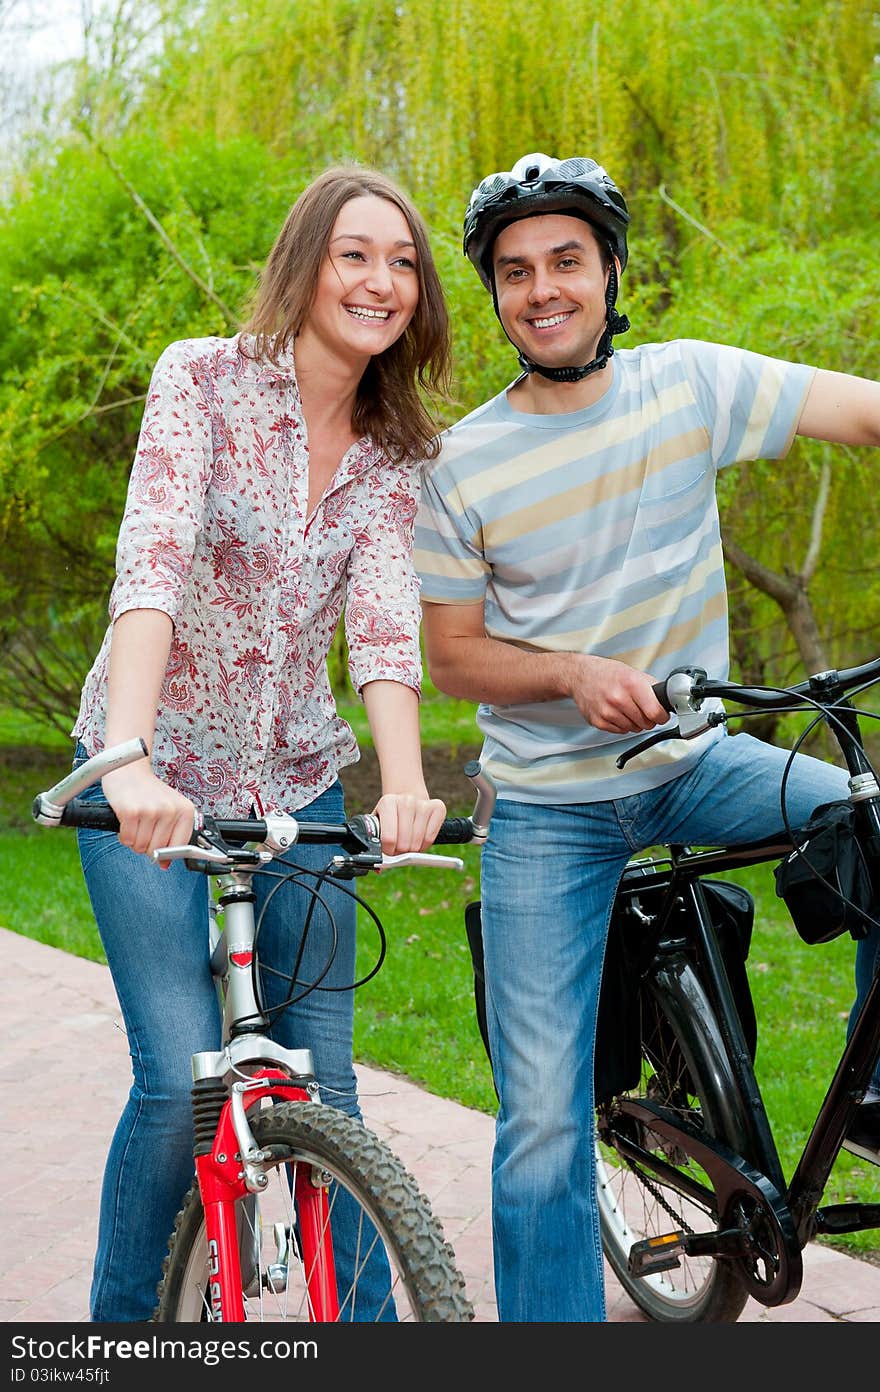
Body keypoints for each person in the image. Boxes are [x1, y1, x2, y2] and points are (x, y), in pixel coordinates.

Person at [414, 151, 880, 1322]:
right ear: (498, 299)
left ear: (610, 271)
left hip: (695, 763)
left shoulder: (690, 386)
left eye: (565, 260)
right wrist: (570, 673)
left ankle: (878, 1097)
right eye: (515, 272)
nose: (542, 288)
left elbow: (865, 414)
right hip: (545, 809)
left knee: (874, 817)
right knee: (540, 1126)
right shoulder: (461, 461)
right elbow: (452, 657)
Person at [72, 164, 451, 1322]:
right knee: (177, 1080)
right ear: (305, 263)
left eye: (401, 262)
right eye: (354, 253)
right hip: (151, 768)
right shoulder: (201, 378)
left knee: (324, 1087)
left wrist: (401, 787)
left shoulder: (396, 451)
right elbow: (155, 565)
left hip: (292, 777)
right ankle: (120, 1334)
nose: (379, 281)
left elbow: (383, 628)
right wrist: (128, 761)